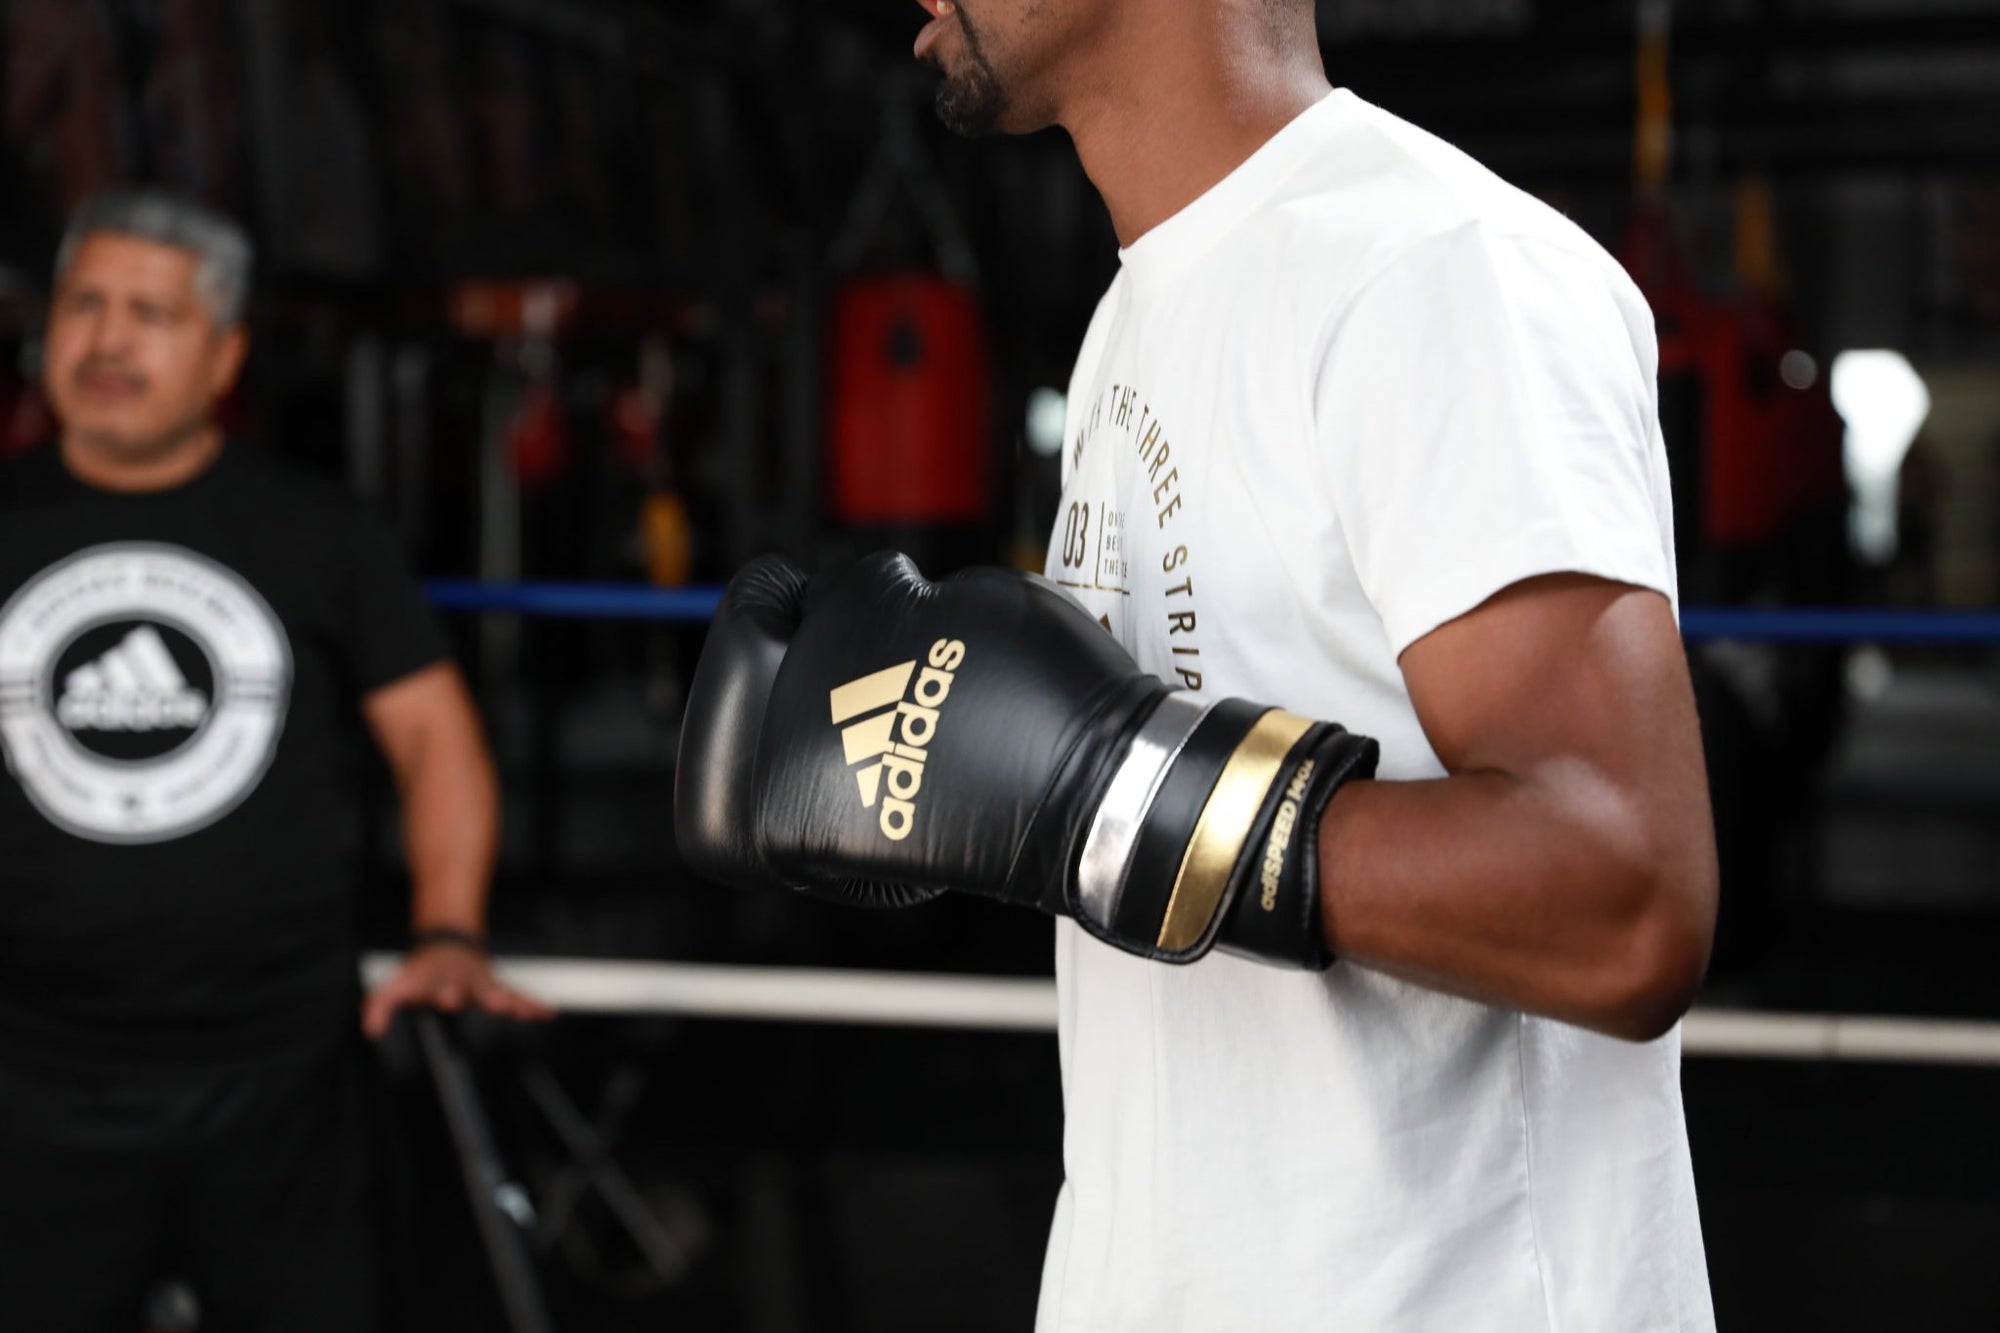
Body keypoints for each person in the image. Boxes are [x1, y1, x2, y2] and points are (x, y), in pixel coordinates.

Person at [676, 1, 1720, 1328]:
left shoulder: (1437, 271)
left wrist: (1112, 793)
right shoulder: (1145, 306)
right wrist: (956, 781)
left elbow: (1624, 900)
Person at [0, 190, 552, 1331]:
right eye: (84, 305)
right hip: (28, 1079)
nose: (106, 341)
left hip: (283, 1079)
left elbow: (434, 739)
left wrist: (448, 928)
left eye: (148, 313)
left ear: (223, 354)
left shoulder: (316, 530)